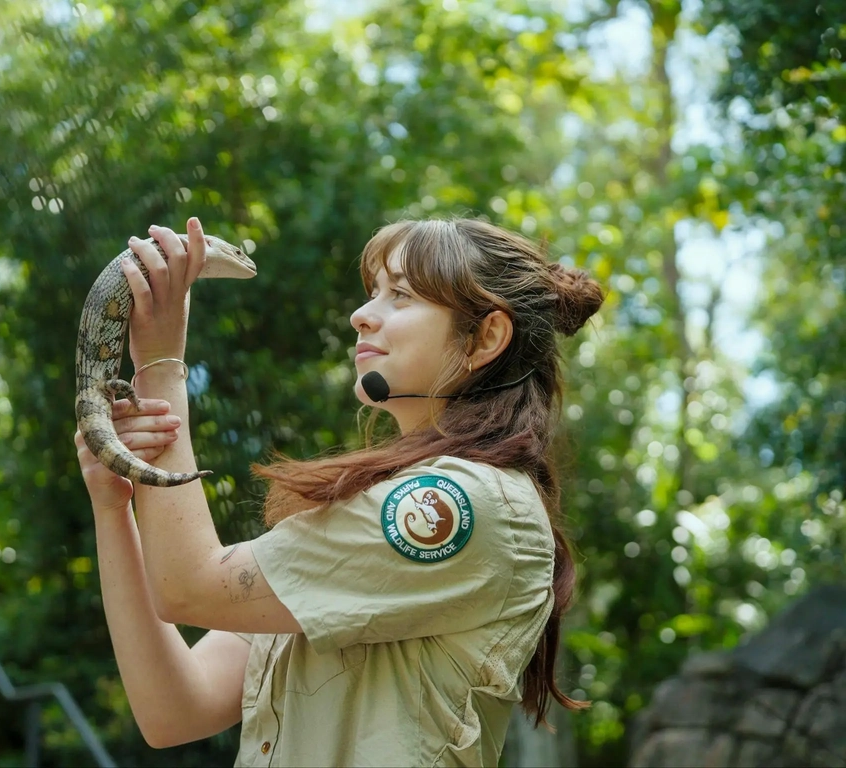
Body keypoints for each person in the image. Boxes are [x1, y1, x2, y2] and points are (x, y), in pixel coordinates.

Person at [74, 215, 603, 767]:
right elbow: (174, 710)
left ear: (486, 337)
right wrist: (113, 506)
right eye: (373, 291)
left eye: (399, 294)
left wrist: (159, 366)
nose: (361, 315)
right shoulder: (362, 518)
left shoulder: (460, 502)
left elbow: (190, 587)